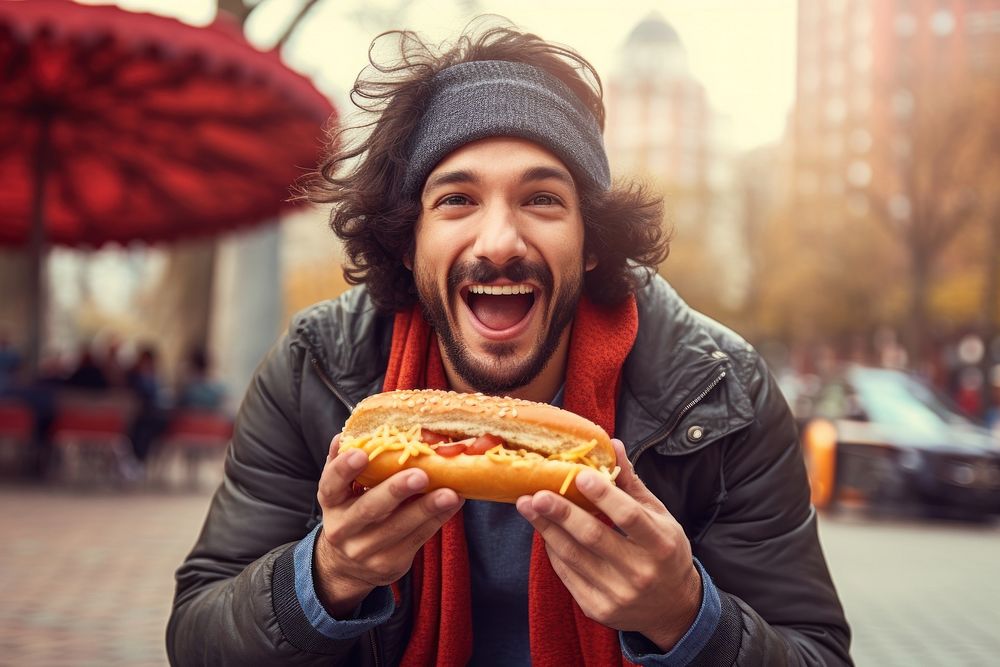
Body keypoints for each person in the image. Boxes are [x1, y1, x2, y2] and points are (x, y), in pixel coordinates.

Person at [167, 23, 851, 666]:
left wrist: (688, 615)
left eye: (543, 200)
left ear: (590, 244)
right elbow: (196, 632)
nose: (499, 242)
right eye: (457, 200)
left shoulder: (722, 390)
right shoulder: (313, 369)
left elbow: (817, 649)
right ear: (409, 242)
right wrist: (324, 577)